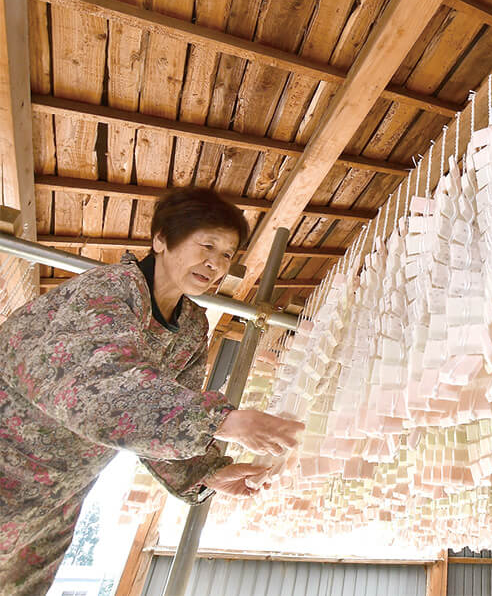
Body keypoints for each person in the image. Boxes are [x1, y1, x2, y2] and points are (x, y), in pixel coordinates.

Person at [0, 188, 305, 595]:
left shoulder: (192, 327)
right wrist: (222, 420)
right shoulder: (104, 292)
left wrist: (208, 471)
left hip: (60, 494)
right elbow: (99, 386)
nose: (215, 263)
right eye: (206, 245)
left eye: (227, 254)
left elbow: (162, 407)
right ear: (161, 240)